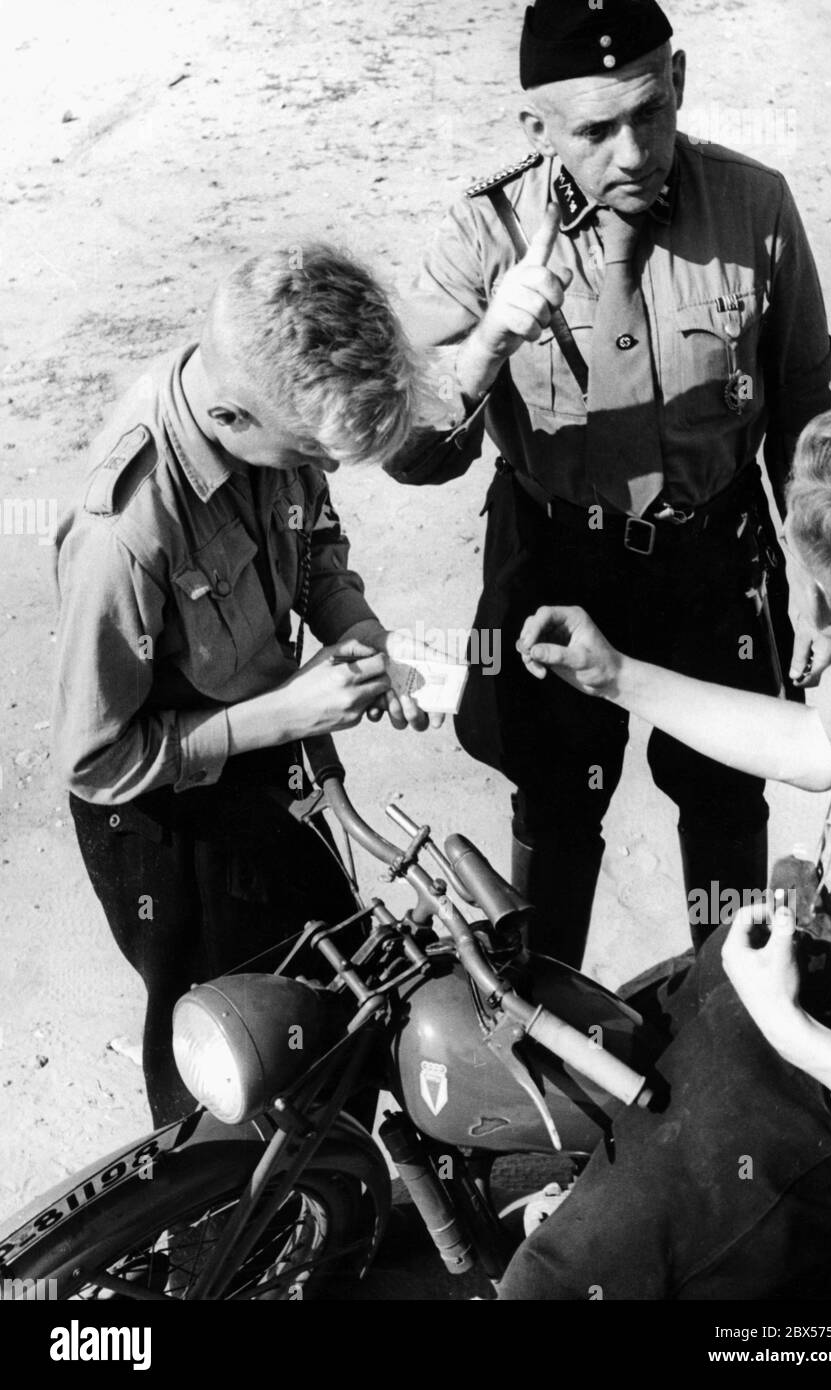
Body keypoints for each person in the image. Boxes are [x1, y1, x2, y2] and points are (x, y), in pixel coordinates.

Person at [385, 0, 831, 967]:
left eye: (648, 112)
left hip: (711, 565)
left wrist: (820, 574)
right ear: (537, 129)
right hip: (555, 566)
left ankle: (734, 1038)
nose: (632, 152)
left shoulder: (753, 206)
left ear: (677, 81)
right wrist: (487, 344)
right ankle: (542, 1045)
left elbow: (804, 400)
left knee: (726, 798)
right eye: (594, 130)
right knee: (554, 818)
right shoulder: (483, 235)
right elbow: (410, 454)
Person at [497, 409, 831, 1300]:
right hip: (793, 986)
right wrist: (618, 676)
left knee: (548, 1288)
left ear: (820, 602)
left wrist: (785, 1023)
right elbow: (818, 745)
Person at [54, 244, 442, 1126]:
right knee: (224, 1052)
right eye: (309, 450)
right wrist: (281, 714)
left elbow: (314, 547)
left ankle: (328, 1198)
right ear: (230, 415)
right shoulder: (124, 535)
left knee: (325, 990)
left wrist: (356, 628)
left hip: (270, 769)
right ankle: (217, 1237)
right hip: (165, 822)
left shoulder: (269, 413)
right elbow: (95, 760)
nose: (324, 469)